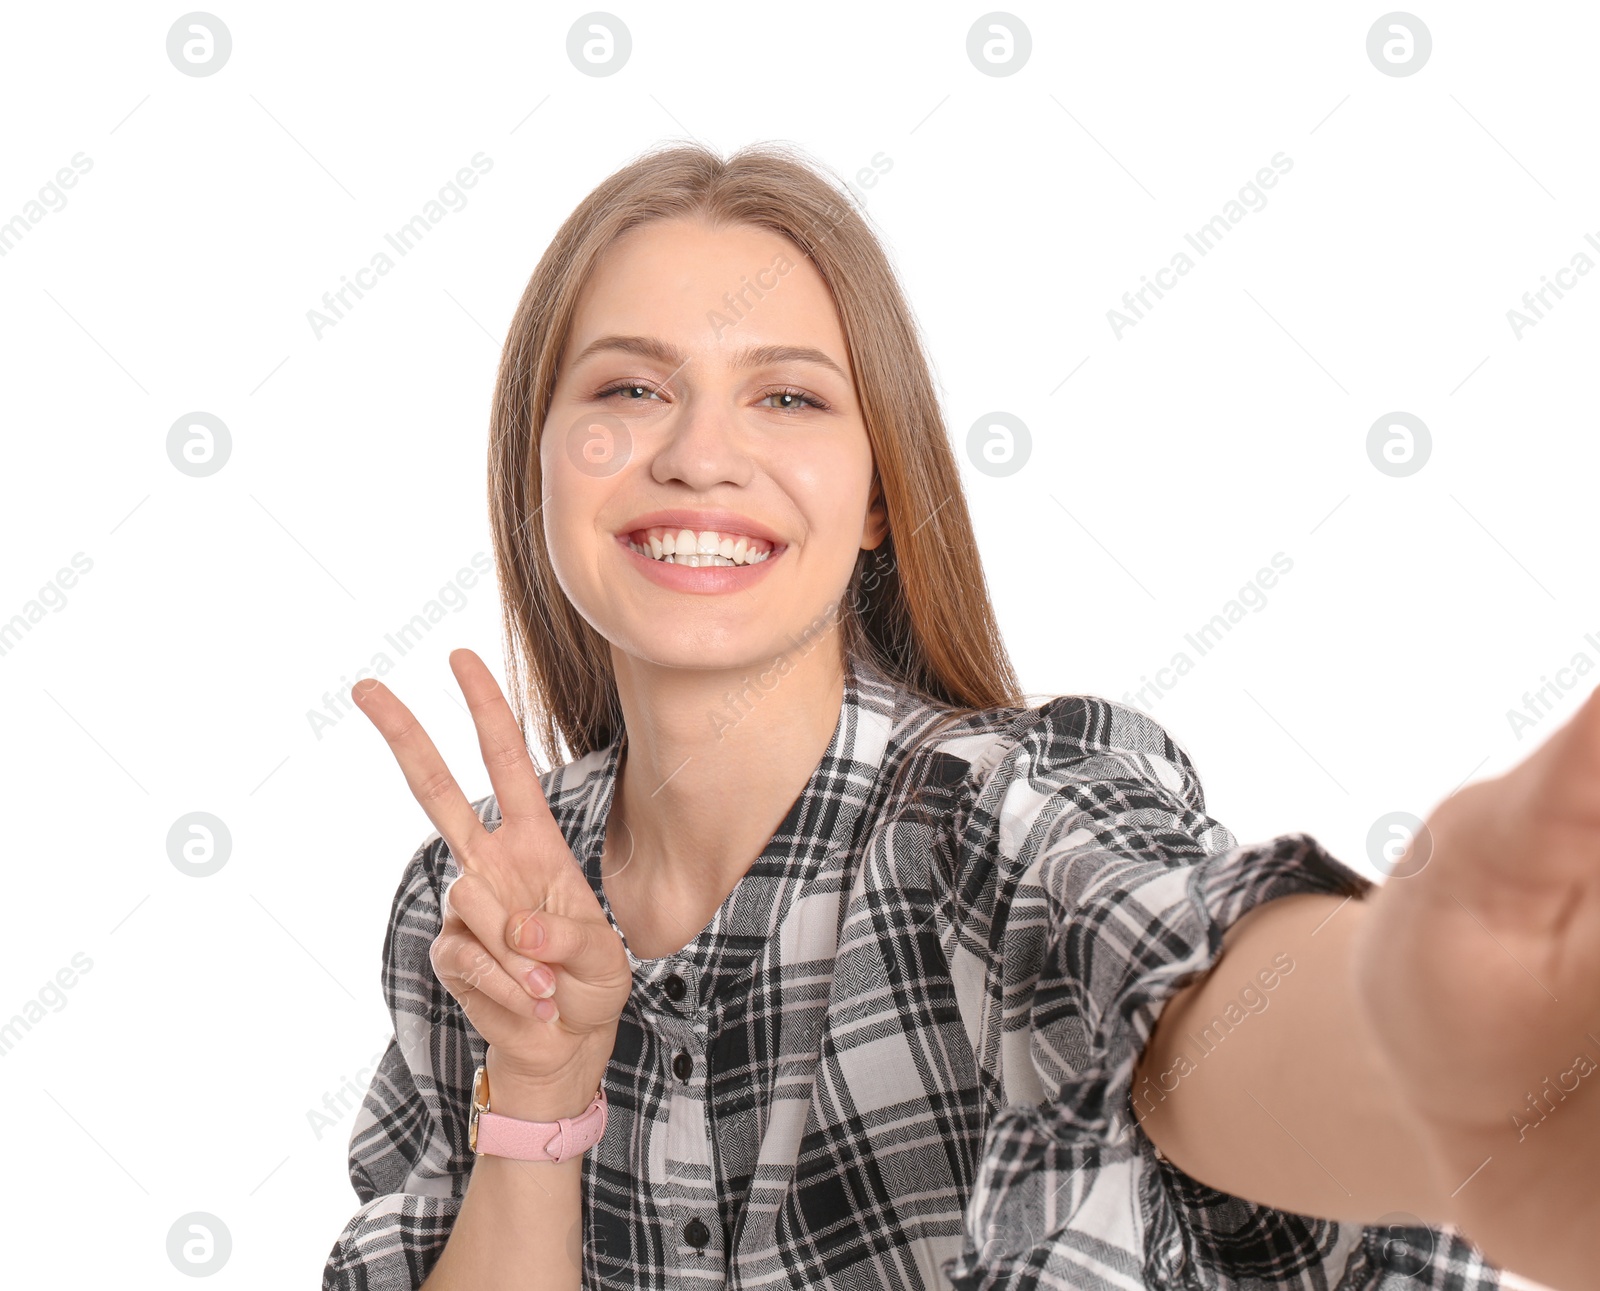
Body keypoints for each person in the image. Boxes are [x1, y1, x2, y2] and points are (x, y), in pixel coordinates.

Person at [322, 141, 1596, 1290]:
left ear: (880, 494)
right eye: (629, 390)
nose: (699, 453)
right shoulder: (473, 904)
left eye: (789, 398)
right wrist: (539, 1094)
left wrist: (1455, 1056)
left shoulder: (1002, 819)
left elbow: (1176, 974)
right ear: (537, 458)